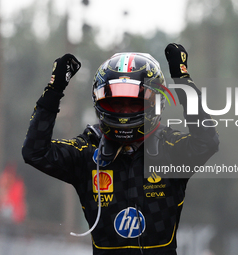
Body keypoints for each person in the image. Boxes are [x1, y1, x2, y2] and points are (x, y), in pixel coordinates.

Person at [22, 43, 219, 255]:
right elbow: (35, 151)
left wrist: (182, 80)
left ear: (155, 102)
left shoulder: (169, 148)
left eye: (134, 104)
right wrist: (54, 89)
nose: (124, 112)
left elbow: (207, 141)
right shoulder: (88, 151)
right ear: (99, 102)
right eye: (116, 104)